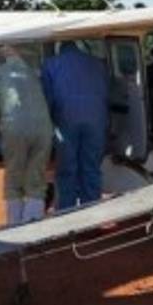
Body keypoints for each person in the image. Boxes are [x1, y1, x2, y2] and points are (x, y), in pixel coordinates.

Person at [0, 44, 53, 224]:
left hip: (15, 127)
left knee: (14, 177)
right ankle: (33, 222)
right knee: (36, 178)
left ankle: (15, 225)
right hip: (44, 127)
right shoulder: (33, 71)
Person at [40, 40, 109, 210]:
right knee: (91, 168)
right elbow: (106, 93)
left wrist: (46, 125)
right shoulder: (97, 63)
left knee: (67, 169)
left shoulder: (50, 64)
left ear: (59, 48)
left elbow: (47, 99)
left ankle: (67, 214)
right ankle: (92, 211)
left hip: (66, 121)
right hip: (96, 120)